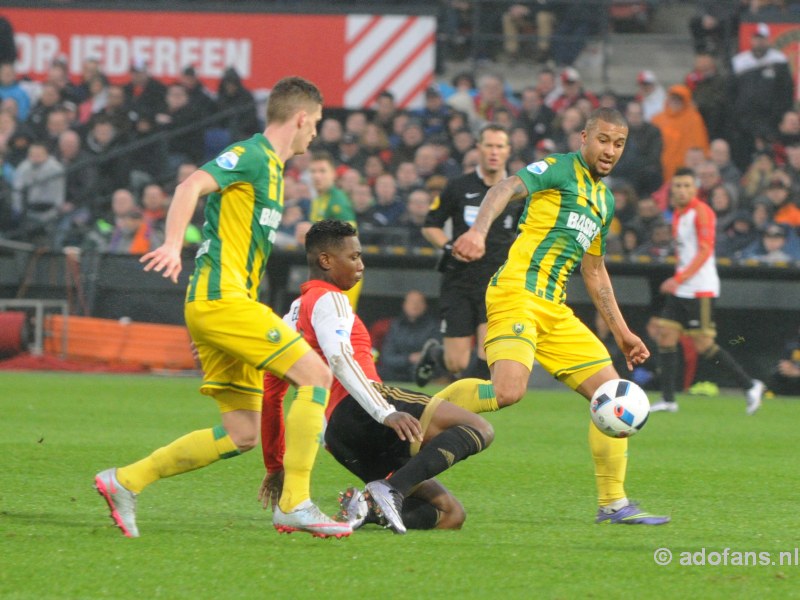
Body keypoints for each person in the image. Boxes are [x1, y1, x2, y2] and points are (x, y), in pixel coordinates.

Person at [93, 76, 350, 539]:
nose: (316, 134)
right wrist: (173, 244)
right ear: (300, 119)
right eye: (316, 125)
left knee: (242, 434)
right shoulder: (251, 155)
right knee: (317, 377)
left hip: (225, 304)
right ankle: (295, 503)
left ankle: (125, 481)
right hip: (221, 299)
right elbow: (191, 184)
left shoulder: (273, 170)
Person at [451, 108, 669, 525]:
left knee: (613, 392)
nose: (609, 151)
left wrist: (622, 332)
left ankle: (614, 504)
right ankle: (416, 416)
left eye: (618, 144)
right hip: (517, 292)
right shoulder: (557, 168)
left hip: (554, 309)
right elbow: (505, 188)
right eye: (603, 140)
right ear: (583, 137)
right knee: (508, 392)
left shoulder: (604, 200)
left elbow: (594, 270)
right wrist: (478, 231)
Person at [259, 220, 494, 534]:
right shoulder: (329, 299)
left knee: (450, 515)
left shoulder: (292, 316)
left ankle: (364, 509)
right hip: (365, 410)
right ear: (326, 260)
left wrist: (275, 465)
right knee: (479, 428)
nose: (361, 265)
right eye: (354, 257)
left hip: (338, 439)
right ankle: (390, 491)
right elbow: (341, 358)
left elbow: (271, 393)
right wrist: (386, 412)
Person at [651, 167, 765, 416]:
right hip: (682, 287)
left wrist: (677, 278)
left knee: (703, 344)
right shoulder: (678, 214)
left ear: (695, 188)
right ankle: (668, 399)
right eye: (677, 186)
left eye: (686, 186)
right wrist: (678, 279)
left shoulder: (702, 212)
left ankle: (750, 385)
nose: (681, 190)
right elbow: (685, 252)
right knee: (666, 335)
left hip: (701, 289)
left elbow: (705, 251)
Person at [415, 123, 519, 385]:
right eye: (489, 145)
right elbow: (430, 225)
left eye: (499, 146)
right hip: (459, 280)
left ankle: (475, 410)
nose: (494, 152)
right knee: (457, 363)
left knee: (488, 353)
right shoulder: (458, 187)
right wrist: (451, 247)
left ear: (508, 151)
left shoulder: (518, 193)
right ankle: (436, 355)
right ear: (478, 149)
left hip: (497, 282)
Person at [379, 289, 441, 383]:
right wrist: (409, 358)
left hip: (422, 370)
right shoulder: (396, 326)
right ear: (404, 305)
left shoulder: (434, 326)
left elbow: (437, 354)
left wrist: (423, 358)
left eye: (419, 302)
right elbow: (387, 357)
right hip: (397, 370)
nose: (415, 305)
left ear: (425, 305)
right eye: (411, 302)